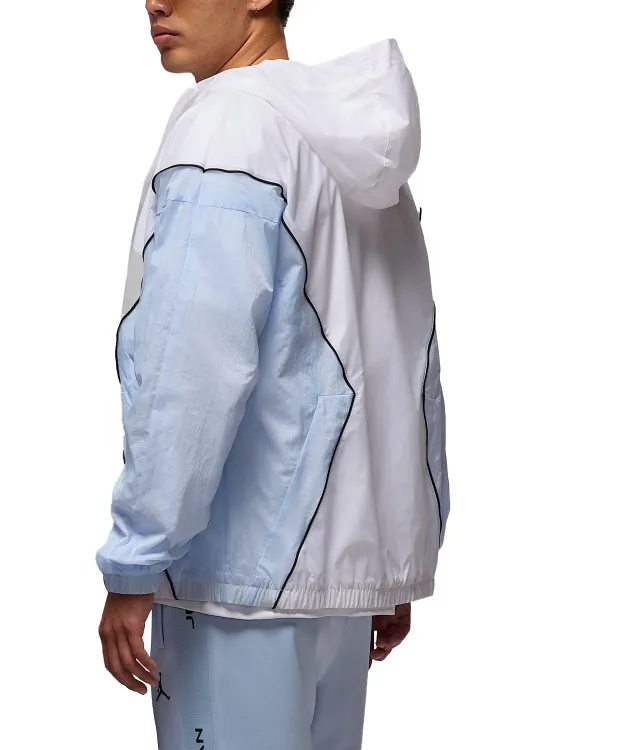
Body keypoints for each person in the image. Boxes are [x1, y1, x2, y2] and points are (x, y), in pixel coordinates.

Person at [96, 1, 451, 747]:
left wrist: (136, 559)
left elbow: (189, 369)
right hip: (339, 594)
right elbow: (404, 358)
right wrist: (390, 558)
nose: (153, 2)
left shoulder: (227, 130)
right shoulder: (349, 141)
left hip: (235, 587)